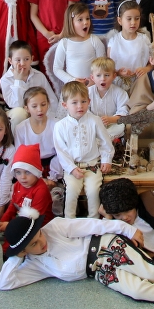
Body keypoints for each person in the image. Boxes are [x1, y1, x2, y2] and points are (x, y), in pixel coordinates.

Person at [0, 203, 154, 309]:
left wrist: (127, 230)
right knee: (138, 291)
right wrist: (16, 256)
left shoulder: (55, 227)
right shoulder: (35, 265)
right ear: (25, 252)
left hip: (107, 246)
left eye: (38, 235)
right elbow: (4, 283)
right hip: (99, 272)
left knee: (153, 272)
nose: (42, 242)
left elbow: (94, 225)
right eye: (34, 245)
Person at [54, 81, 114, 219]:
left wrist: (107, 159)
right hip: (73, 168)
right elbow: (61, 151)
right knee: (71, 193)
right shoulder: (60, 126)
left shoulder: (95, 120)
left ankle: (93, 220)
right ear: (65, 105)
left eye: (83, 101)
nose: (80, 106)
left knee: (93, 192)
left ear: (89, 101)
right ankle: (69, 222)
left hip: (92, 166)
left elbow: (105, 141)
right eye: (74, 102)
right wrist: (71, 169)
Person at [0, 144, 55, 232]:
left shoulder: (41, 190)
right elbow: (13, 205)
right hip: (20, 222)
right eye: (18, 172)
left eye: (27, 172)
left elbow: (34, 219)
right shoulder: (18, 185)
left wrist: (9, 225)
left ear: (35, 172)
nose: (22, 177)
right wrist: (3, 220)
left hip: (38, 227)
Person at [0, 41, 58, 122]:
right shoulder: (6, 79)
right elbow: (16, 104)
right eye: (18, 60)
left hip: (38, 111)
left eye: (26, 59)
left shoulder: (39, 75)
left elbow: (51, 99)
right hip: (17, 113)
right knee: (19, 113)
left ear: (31, 59)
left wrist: (53, 118)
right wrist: (18, 81)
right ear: (10, 61)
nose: (22, 63)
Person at [108, 0, 151, 89]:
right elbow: (109, 67)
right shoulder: (113, 41)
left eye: (137, 18)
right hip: (118, 84)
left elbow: (152, 63)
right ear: (120, 20)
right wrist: (118, 72)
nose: (133, 22)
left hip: (140, 82)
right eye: (129, 19)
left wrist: (146, 69)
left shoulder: (144, 39)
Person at [89, 57, 130, 142]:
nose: (103, 79)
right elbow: (85, 111)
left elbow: (123, 111)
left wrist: (110, 119)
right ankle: (100, 139)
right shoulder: (87, 92)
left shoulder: (120, 93)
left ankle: (102, 139)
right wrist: (95, 121)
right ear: (92, 77)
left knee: (120, 127)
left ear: (114, 76)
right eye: (98, 75)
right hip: (93, 125)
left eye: (107, 75)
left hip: (112, 124)